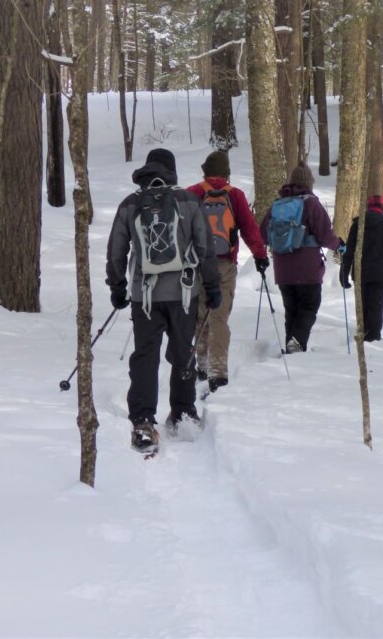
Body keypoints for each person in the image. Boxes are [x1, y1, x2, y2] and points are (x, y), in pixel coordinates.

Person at [106, 148, 222, 451]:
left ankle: (143, 421)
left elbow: (116, 250)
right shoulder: (188, 201)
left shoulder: (131, 204)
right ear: (172, 171)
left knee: (146, 354)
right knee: (183, 351)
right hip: (185, 293)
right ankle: (183, 413)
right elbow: (205, 247)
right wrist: (212, 286)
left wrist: (117, 286)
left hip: (143, 295)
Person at [186, 150, 269, 395]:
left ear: (205, 170)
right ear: (226, 172)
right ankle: (218, 372)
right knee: (219, 317)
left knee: (200, 315)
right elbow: (250, 230)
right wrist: (260, 256)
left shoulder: (192, 193)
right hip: (223, 265)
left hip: (197, 264)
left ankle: (201, 366)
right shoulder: (235, 195)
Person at [259, 163, 343, 353]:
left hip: (282, 270)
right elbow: (325, 236)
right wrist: (339, 245)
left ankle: (292, 346)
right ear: (309, 183)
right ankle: (296, 343)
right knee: (309, 305)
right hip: (307, 270)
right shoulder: (311, 203)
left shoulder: (277, 204)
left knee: (292, 310)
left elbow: (262, 234)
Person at [339, 195, 383, 341]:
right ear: (382, 207)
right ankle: (373, 338)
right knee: (375, 307)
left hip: (361, 274)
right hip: (380, 276)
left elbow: (348, 251)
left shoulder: (357, 225)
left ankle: (365, 336)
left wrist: (344, 273)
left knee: (363, 307)